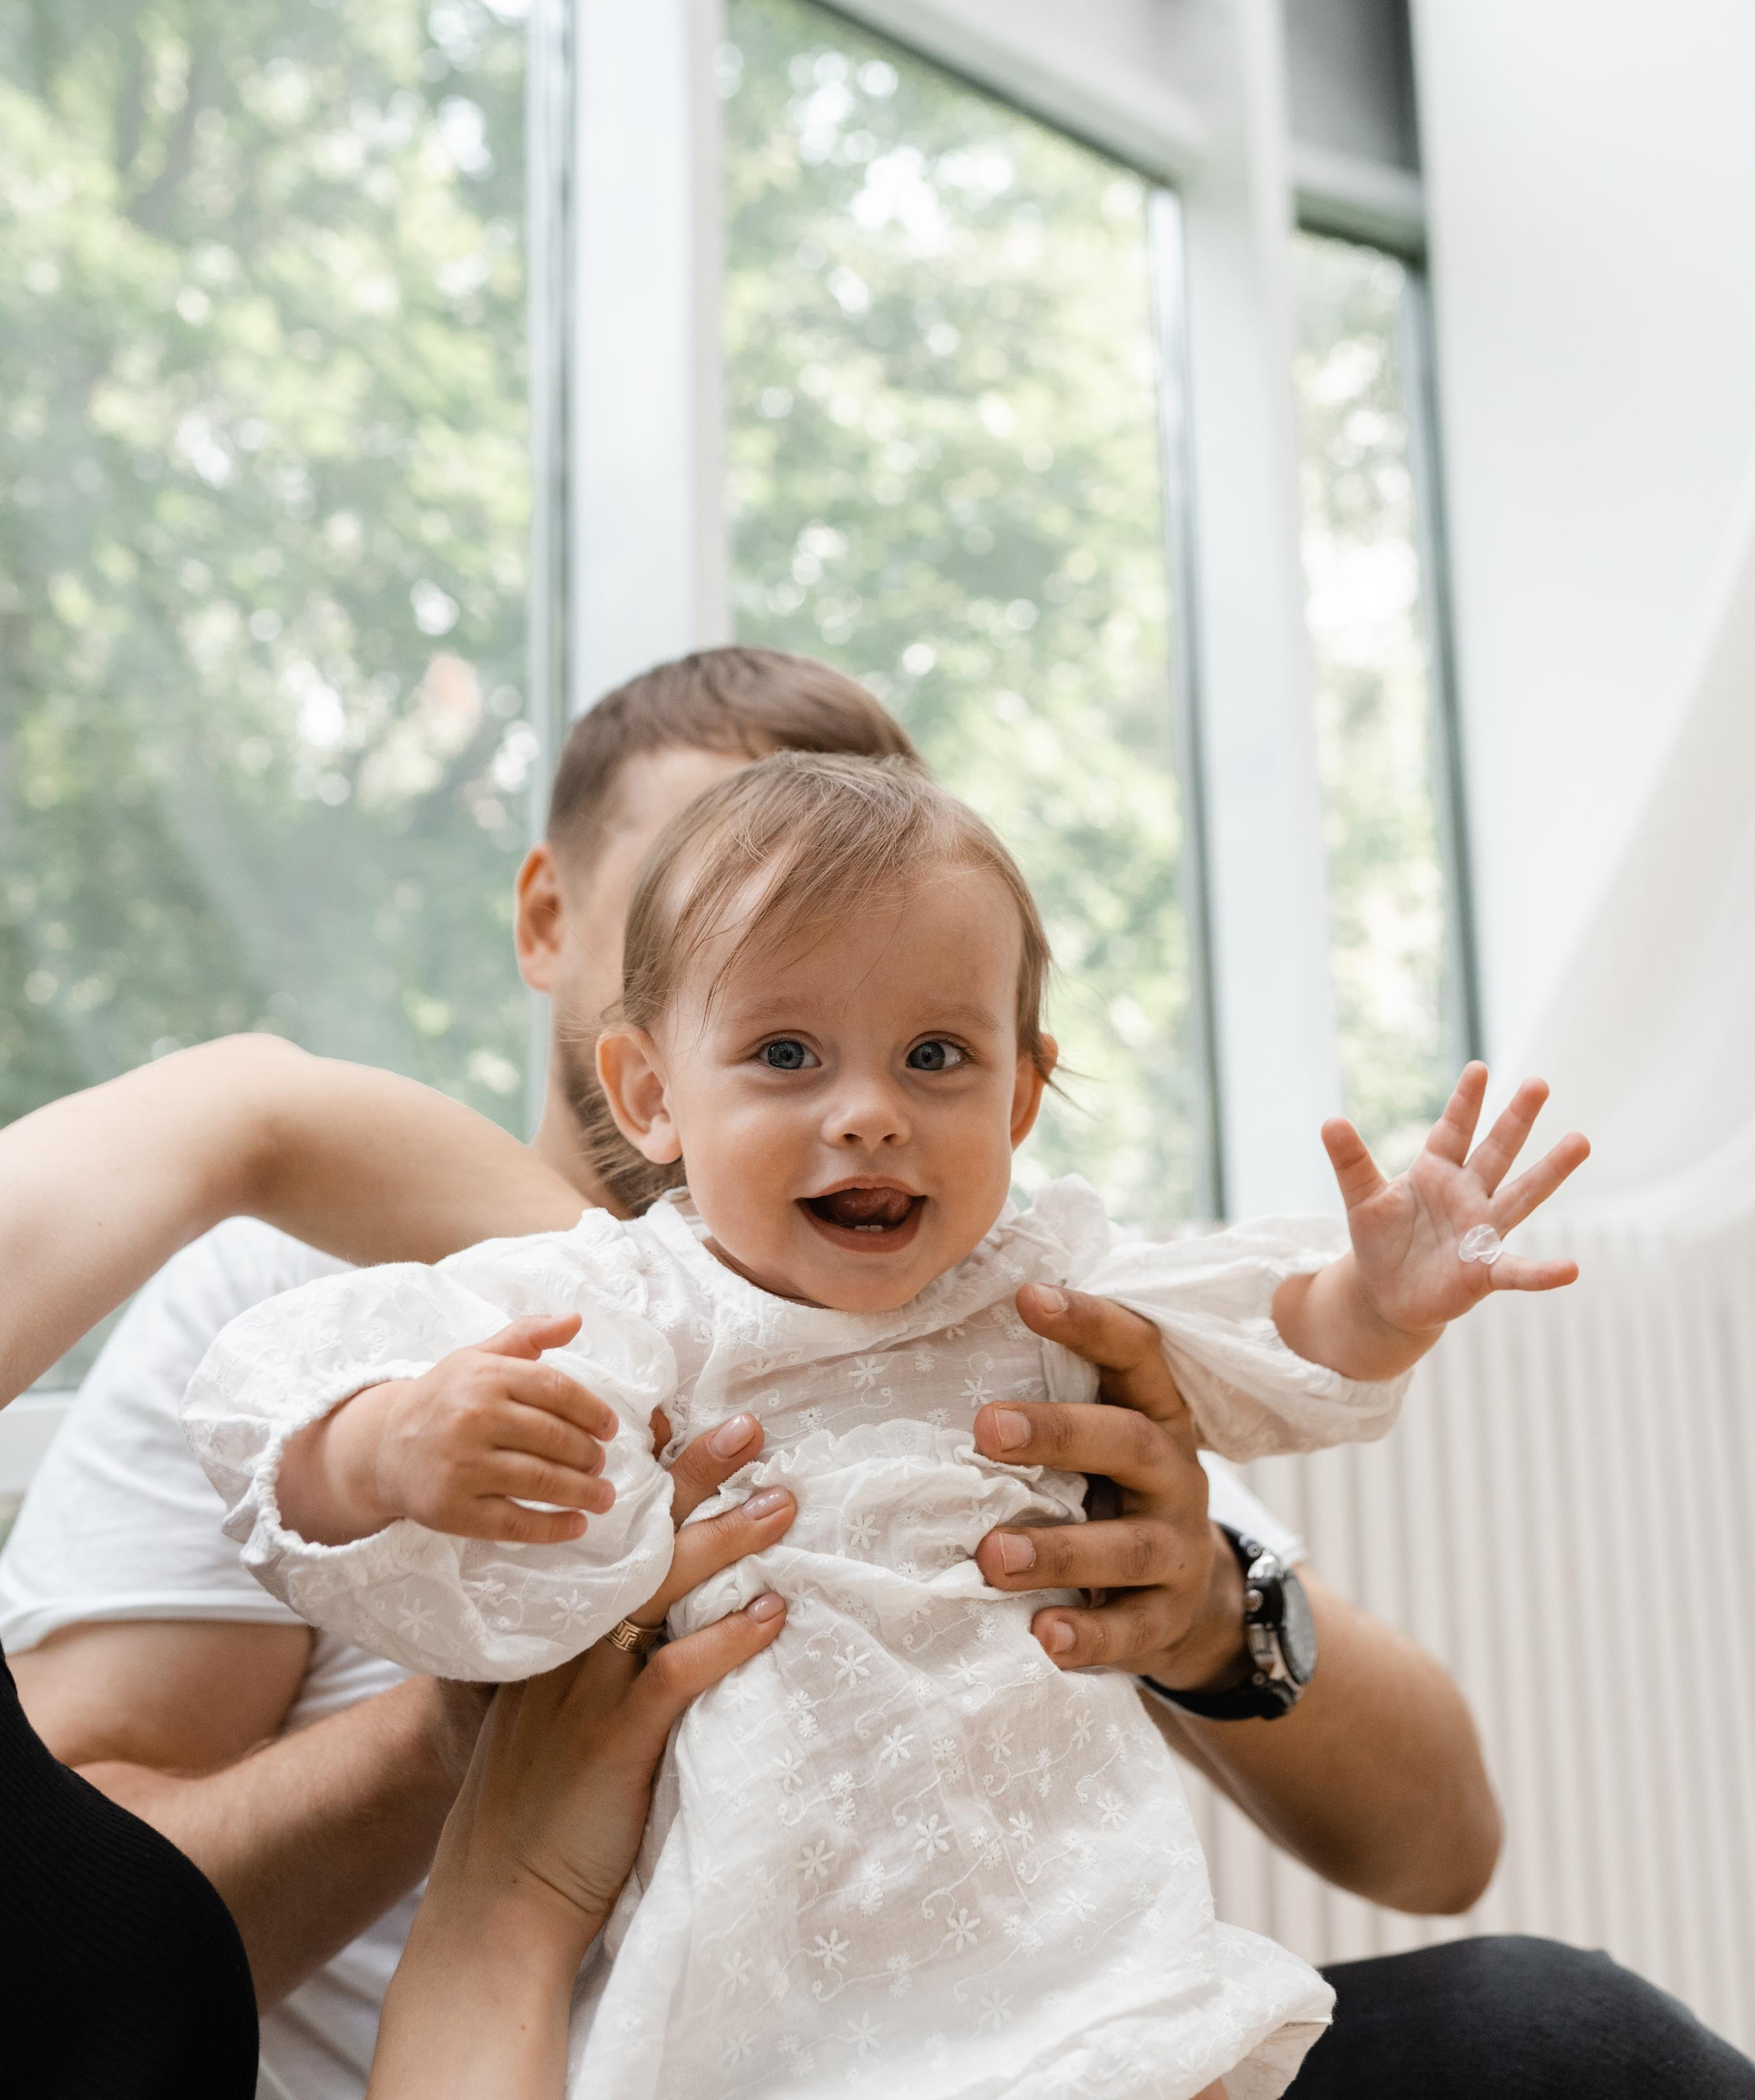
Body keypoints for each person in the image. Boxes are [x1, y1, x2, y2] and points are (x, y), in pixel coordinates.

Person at [4, 646, 1749, 2095]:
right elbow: (98, 1974)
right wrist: (464, 1713)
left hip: (1029, 2031)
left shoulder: (971, 1303)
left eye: (925, 1031)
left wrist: (1211, 1605)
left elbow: (1439, 1841)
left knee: (1561, 2038)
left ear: (1008, 1073)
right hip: (581, 2050)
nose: (859, 1099)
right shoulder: (333, 1284)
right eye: (769, 1004)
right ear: (590, 975)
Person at [0, 1033, 790, 2099]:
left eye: (935, 1051)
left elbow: (253, 1108)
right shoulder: (300, 1294)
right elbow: (252, 1112)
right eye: (783, 1046)